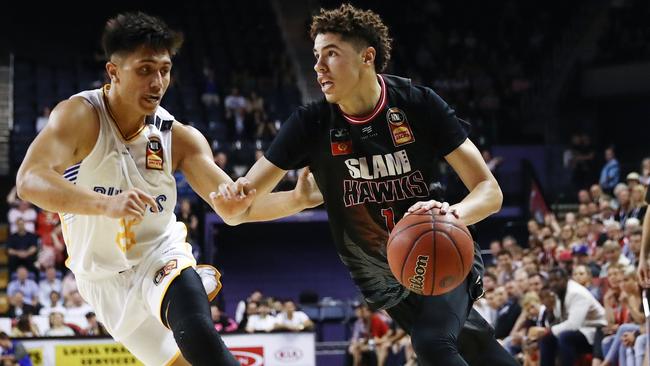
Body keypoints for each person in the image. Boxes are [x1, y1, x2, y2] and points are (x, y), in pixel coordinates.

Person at [216, 4, 517, 365]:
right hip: (381, 277)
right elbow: (241, 209)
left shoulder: (418, 105)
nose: (318, 67)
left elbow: (489, 190)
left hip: (437, 249)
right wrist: (295, 199)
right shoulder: (309, 125)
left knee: (432, 343)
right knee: (476, 345)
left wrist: (450, 215)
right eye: (315, 56)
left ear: (367, 57)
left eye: (331, 54)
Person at [15, 11, 310, 366]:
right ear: (113, 72)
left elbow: (234, 209)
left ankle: (187, 289)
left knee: (200, 337)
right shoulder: (80, 117)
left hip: (159, 253)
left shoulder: (177, 136)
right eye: (144, 70)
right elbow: (28, 181)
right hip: (101, 281)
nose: (157, 82)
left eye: (164, 70)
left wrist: (298, 198)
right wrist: (104, 204)